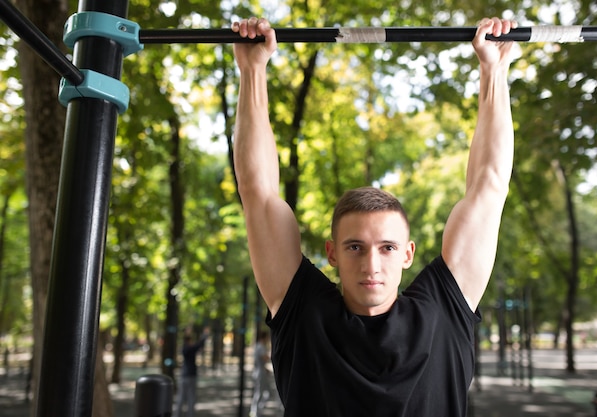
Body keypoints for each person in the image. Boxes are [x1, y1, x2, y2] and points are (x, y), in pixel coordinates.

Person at [231, 16, 516, 417]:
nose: (371, 264)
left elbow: (489, 187)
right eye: (355, 247)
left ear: (407, 253)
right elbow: (257, 193)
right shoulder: (306, 314)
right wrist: (251, 70)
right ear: (332, 253)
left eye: (387, 247)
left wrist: (495, 69)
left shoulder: (441, 314)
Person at [174, 328, 208, 417]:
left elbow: (197, 346)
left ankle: (178, 415)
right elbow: (199, 344)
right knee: (191, 398)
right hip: (190, 375)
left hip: (184, 375)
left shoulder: (185, 348)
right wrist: (204, 335)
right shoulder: (189, 349)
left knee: (181, 397)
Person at [250, 330, 272, 417]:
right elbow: (265, 358)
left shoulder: (258, 346)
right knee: (259, 392)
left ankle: (257, 410)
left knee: (266, 392)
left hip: (260, 371)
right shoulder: (261, 347)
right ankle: (255, 412)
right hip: (259, 373)